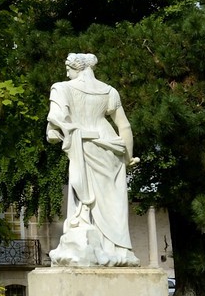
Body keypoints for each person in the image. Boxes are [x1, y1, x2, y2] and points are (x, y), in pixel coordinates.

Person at [46, 53, 140, 266]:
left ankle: (98, 250)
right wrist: (128, 156)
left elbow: (56, 117)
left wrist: (57, 131)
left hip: (85, 143)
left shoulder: (61, 88)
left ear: (76, 68)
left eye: (68, 68)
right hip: (111, 147)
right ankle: (119, 250)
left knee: (87, 200)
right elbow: (124, 126)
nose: (66, 73)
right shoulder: (108, 91)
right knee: (112, 202)